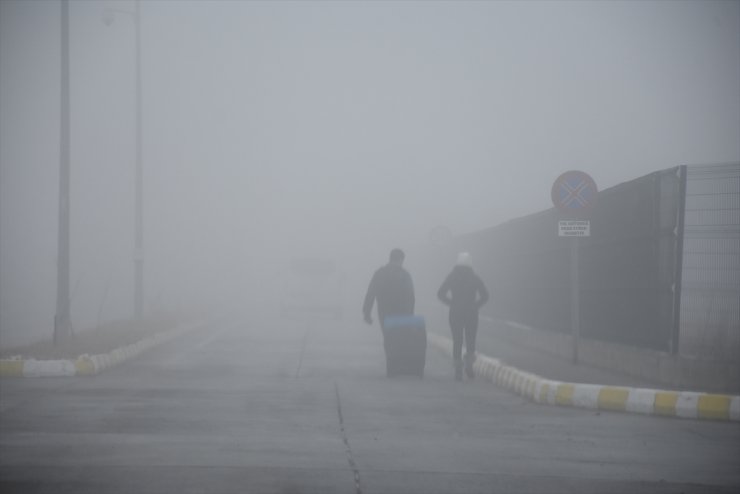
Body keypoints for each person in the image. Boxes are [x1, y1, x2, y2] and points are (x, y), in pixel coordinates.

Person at [437, 252, 489, 381]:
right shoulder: (474, 277)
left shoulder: (452, 276)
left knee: (457, 340)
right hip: (471, 313)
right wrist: (476, 305)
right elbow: (485, 295)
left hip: (455, 312)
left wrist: (451, 303)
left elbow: (440, 293)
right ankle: (469, 365)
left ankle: (458, 369)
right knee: (470, 339)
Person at [363, 248, 416, 374]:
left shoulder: (380, 273)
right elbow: (411, 295)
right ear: (401, 260)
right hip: (403, 312)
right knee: (401, 338)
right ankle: (398, 365)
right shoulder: (405, 274)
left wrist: (367, 313)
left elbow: (371, 293)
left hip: (385, 311)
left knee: (388, 337)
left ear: (390, 258)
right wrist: (411, 314)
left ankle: (391, 364)